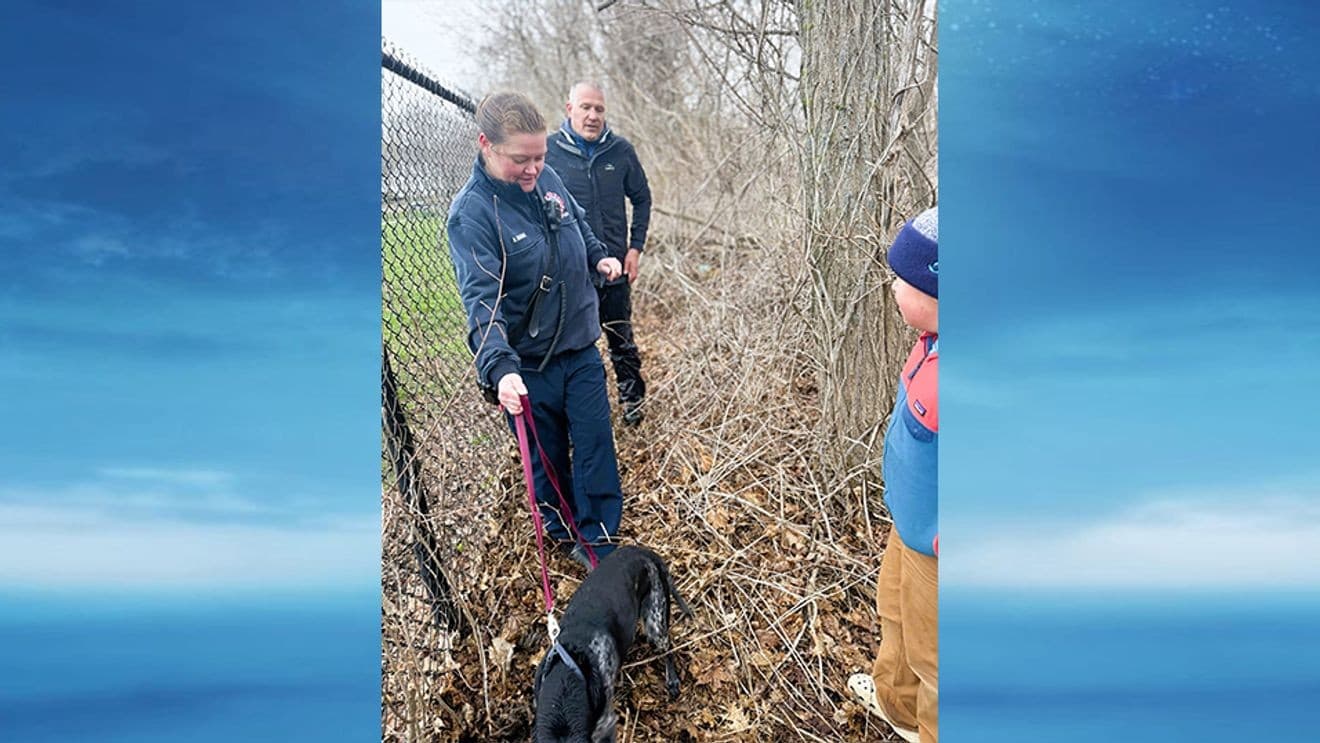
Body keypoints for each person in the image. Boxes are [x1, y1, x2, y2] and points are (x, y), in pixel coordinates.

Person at [446, 91, 625, 568]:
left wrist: (597, 255)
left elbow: (578, 225)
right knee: (547, 462)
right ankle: (562, 530)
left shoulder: (546, 177)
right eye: (520, 159)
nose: (533, 169)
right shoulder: (473, 215)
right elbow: (481, 302)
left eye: (540, 156)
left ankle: (599, 544)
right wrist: (500, 370)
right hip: (528, 366)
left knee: (594, 444)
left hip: (580, 346)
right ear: (486, 145)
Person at [847, 207, 939, 743]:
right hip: (907, 527)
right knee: (896, 618)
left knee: (937, 659)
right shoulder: (929, 343)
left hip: (939, 548)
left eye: (901, 281)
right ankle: (897, 708)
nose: (892, 288)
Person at [544, 81, 652, 426]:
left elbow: (642, 199)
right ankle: (581, 413)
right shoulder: (549, 152)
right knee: (573, 346)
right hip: (571, 272)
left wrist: (635, 248)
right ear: (569, 108)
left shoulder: (620, 151)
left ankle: (632, 403)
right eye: (585, 107)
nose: (592, 116)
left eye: (599, 109)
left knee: (620, 336)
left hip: (616, 266)